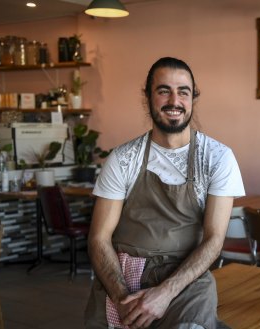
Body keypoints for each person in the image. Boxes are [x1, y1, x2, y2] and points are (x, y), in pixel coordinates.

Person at [84, 57, 245, 328]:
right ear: (148, 97)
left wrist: (165, 292)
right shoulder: (123, 159)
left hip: (185, 280)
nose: (174, 100)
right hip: (123, 277)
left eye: (183, 91)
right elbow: (99, 239)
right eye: (163, 91)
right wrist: (123, 298)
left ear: (193, 98)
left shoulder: (217, 158)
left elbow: (214, 240)